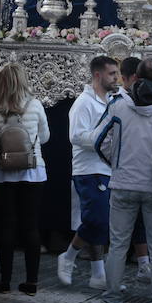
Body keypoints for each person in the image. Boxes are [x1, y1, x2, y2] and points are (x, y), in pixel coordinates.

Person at [91, 58, 152, 303]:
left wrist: (116, 165)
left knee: (118, 245)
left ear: (135, 78)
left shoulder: (119, 106)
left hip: (124, 184)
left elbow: (100, 142)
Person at [58, 55, 120, 289]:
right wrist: (104, 138)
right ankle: (69, 256)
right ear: (98, 75)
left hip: (107, 168)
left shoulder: (112, 100)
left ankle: (98, 274)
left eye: (117, 73)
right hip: (89, 168)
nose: (116, 78)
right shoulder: (83, 103)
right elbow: (75, 136)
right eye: (112, 73)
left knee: (102, 223)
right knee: (96, 219)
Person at [0, 62, 50, 296]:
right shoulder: (35, 105)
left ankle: (4, 281)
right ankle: (31, 282)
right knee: (30, 226)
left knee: (6, 225)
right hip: (32, 171)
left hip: (2, 172)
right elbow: (45, 137)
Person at [118, 56, 151, 282]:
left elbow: (105, 143)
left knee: (122, 234)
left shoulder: (118, 104)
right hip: (144, 176)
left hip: (127, 175)